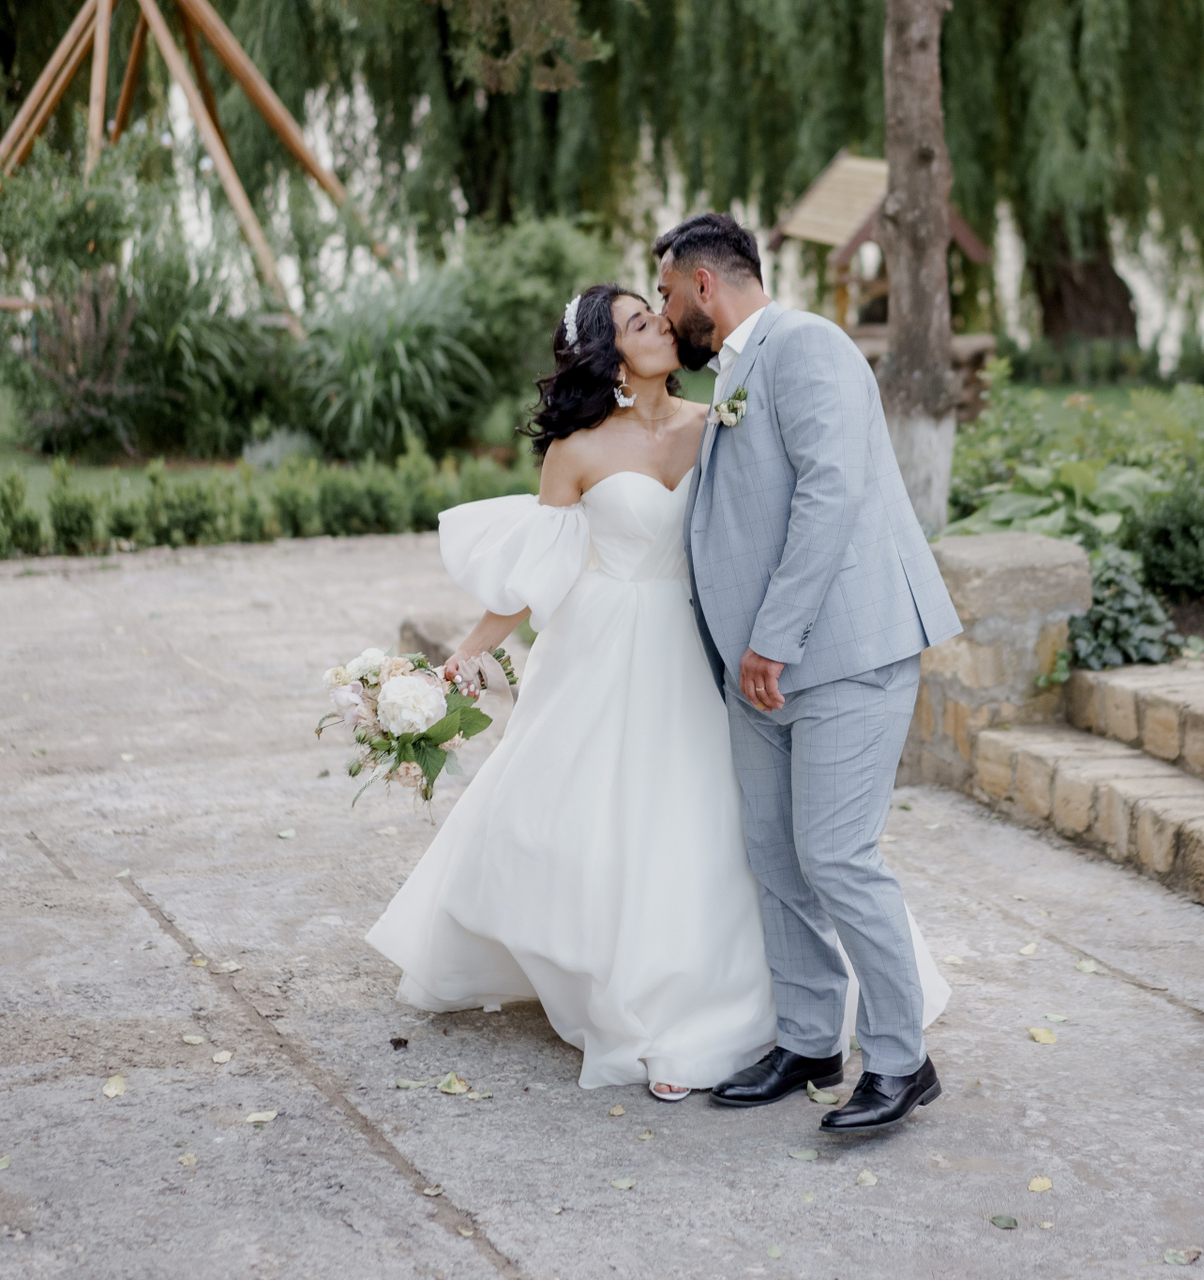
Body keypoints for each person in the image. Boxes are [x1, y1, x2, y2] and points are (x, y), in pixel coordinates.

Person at [364, 282, 948, 1106]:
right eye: (640, 322)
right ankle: (648, 1011)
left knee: (736, 831)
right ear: (611, 359)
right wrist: (465, 653)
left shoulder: (719, 421)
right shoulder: (576, 451)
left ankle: (771, 1016)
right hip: (608, 647)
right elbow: (538, 572)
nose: (663, 324)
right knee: (616, 830)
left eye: (657, 310)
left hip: (708, 640)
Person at [654, 213, 963, 1132]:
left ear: (704, 284)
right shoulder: (735, 369)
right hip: (760, 673)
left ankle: (902, 1059)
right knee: (776, 855)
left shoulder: (808, 345)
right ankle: (808, 1040)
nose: (665, 315)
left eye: (667, 295)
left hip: (839, 654)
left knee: (837, 856)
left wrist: (773, 637)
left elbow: (831, 491)